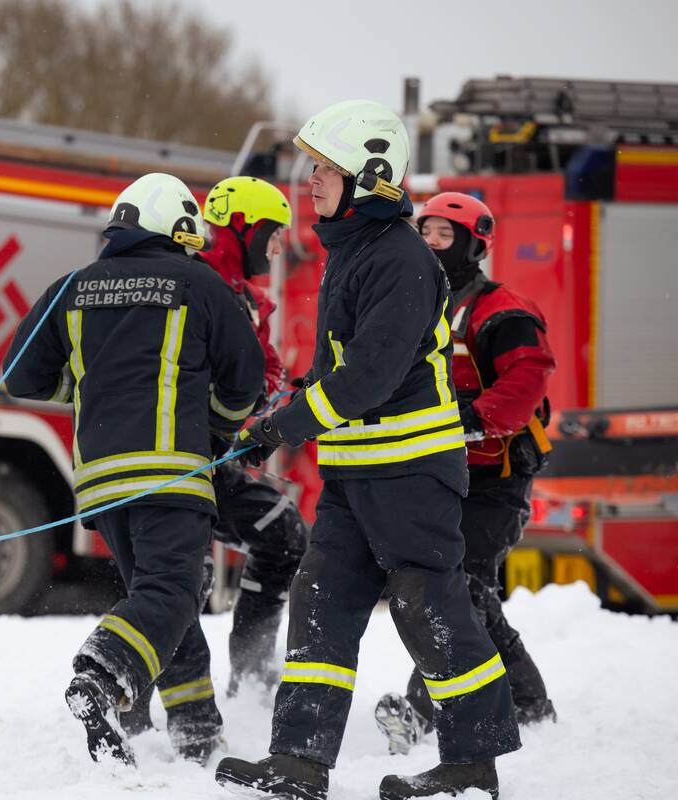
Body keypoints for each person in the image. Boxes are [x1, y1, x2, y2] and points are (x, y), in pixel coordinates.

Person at [214, 101, 521, 800]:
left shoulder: (402, 259)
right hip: (357, 473)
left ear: (371, 176)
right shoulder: (352, 252)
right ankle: (298, 761)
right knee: (321, 597)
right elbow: (334, 373)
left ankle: (472, 767)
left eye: (325, 166)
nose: (310, 179)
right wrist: (272, 424)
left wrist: (288, 425)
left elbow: (371, 376)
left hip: (412, 471)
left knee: (423, 601)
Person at [4, 172, 264, 766]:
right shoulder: (199, 282)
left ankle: (195, 728)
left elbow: (22, 376)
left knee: (162, 596)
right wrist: (218, 424)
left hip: (101, 480)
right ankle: (101, 673)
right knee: (172, 591)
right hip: (170, 471)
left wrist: (89, 385)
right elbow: (244, 379)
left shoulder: (72, 287)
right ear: (175, 226)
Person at [118, 176, 308, 743]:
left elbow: (263, 367)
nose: (275, 250)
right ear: (245, 226)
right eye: (272, 235)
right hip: (171, 453)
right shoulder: (189, 280)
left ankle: (250, 680)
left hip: (215, 454)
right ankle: (135, 707)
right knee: (179, 577)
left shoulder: (246, 297)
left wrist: (278, 401)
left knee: (282, 537)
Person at [374, 191, 557, 755]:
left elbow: (525, 383)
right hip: (439, 471)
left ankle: (423, 709)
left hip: (496, 477)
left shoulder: (504, 311)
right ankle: (529, 703)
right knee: (469, 589)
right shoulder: (416, 301)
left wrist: (472, 420)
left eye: (442, 235)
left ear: (474, 244)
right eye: (423, 232)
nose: (429, 242)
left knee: (461, 584)